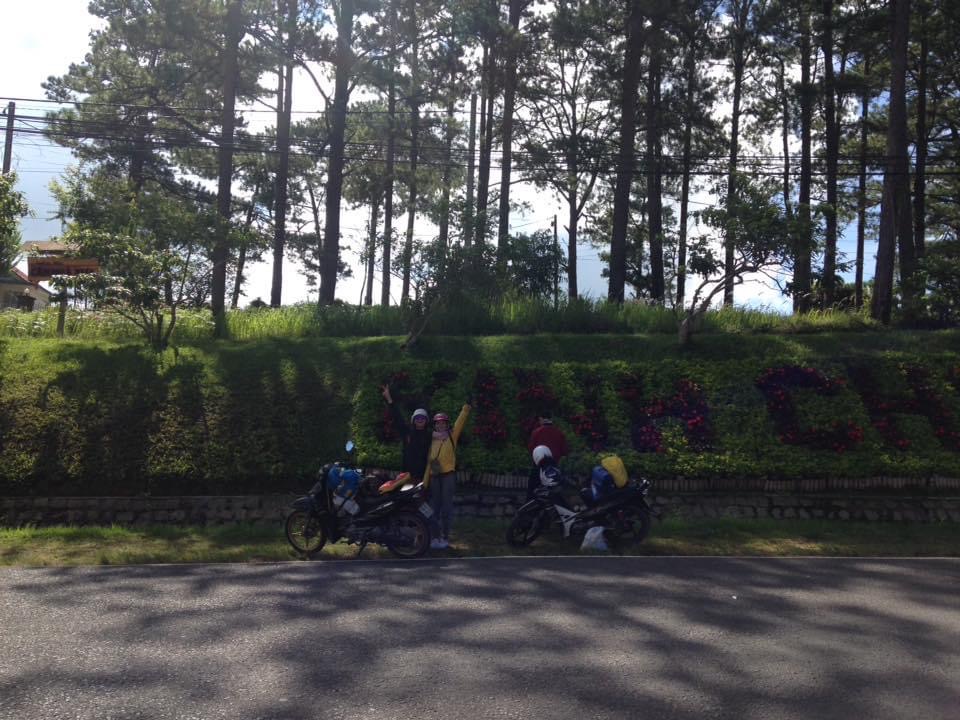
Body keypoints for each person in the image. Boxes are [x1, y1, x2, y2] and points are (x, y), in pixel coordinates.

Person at [423, 401, 471, 549]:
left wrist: (465, 408)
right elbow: (428, 461)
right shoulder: (431, 439)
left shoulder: (452, 436)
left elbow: (460, 422)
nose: (441, 425)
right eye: (438, 423)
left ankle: (445, 536)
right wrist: (425, 481)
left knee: (447, 507)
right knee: (434, 507)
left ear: (447, 424)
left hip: (448, 476)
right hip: (434, 476)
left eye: (443, 423)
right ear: (435, 425)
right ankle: (434, 536)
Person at [381, 385, 431, 483]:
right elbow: (397, 417)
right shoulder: (407, 432)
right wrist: (389, 399)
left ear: (426, 421)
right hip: (407, 475)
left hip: (423, 475)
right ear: (413, 420)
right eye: (417, 418)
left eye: (422, 418)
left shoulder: (430, 435)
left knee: (421, 493)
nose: (420, 420)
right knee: (406, 492)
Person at [526, 411, 568, 499]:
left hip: (539, 466)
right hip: (554, 467)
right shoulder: (559, 433)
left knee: (532, 492)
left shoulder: (536, 432)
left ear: (541, 419)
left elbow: (531, 449)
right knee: (555, 493)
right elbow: (564, 451)